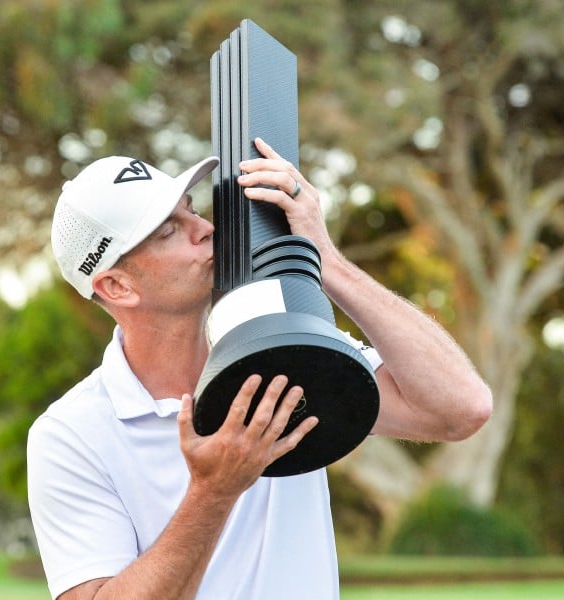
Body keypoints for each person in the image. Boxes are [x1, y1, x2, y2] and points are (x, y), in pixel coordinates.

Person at [27, 137, 492, 600]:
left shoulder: (284, 349)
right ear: (117, 286)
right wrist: (214, 491)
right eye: (168, 231)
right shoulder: (70, 434)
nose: (204, 228)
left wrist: (325, 259)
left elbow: (461, 409)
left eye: (191, 210)